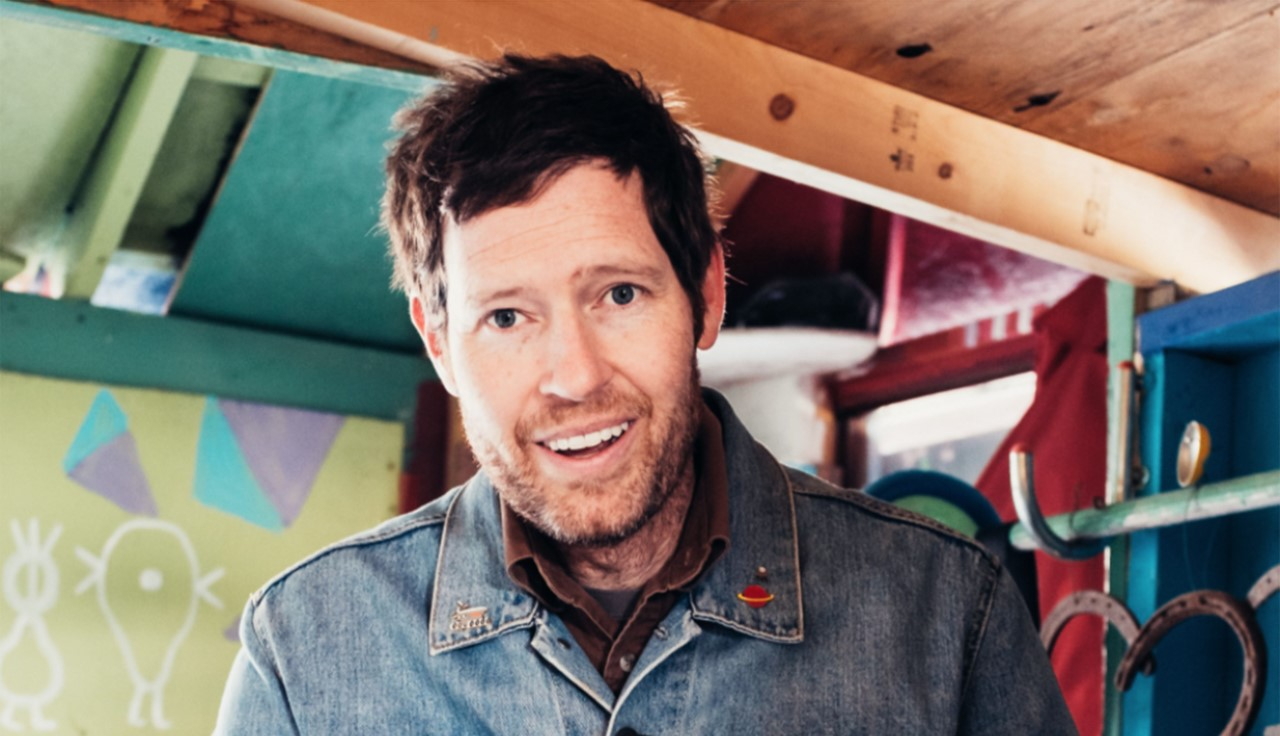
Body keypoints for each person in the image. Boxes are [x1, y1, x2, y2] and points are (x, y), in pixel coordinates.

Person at [214, 54, 1076, 735]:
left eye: (619, 295)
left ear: (707, 293)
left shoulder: (948, 618)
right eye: (507, 317)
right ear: (439, 342)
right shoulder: (301, 655)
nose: (576, 375)